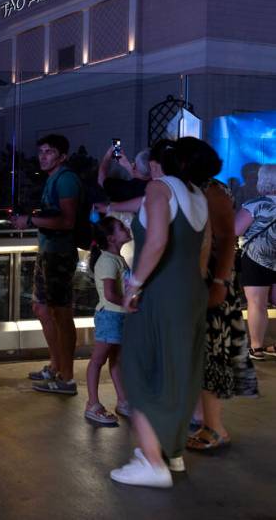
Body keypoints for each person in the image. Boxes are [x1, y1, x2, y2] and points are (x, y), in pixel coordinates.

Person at [110, 138, 214, 488]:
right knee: (178, 371)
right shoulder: (199, 196)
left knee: (139, 371)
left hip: (160, 291)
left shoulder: (159, 189)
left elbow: (156, 241)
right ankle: (171, 453)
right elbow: (204, 249)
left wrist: (135, 284)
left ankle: (153, 462)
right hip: (191, 292)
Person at [188, 175, 258, 452]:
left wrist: (219, 283)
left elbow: (227, 237)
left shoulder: (211, 190)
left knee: (211, 354)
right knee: (203, 355)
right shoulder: (202, 189)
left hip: (213, 284)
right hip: (211, 282)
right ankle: (205, 420)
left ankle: (214, 427)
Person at [10, 134, 82, 395]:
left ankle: (67, 377)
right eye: (41, 151)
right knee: (42, 308)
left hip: (59, 255)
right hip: (48, 253)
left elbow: (67, 221)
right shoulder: (54, 179)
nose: (43, 156)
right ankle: (56, 366)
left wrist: (30, 222)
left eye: (49, 152)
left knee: (60, 314)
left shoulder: (66, 180)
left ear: (62, 156)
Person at [83, 217, 131, 426]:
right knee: (98, 359)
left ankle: (123, 400)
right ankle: (92, 403)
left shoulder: (117, 259)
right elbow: (111, 294)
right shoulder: (108, 261)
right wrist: (131, 305)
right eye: (121, 227)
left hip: (119, 316)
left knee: (116, 360)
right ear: (111, 238)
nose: (126, 227)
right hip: (110, 316)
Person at [234, 164, 276, 360]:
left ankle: (257, 348)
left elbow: (236, 230)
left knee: (257, 303)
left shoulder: (255, 204)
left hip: (256, 258)